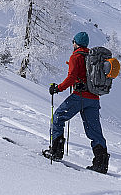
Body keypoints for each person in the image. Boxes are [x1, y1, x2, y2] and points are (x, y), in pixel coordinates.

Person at [42, 32, 110, 174]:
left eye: (73, 42)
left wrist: (58, 88)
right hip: (94, 99)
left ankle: (56, 151)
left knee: (58, 117)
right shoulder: (93, 58)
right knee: (94, 130)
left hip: (80, 97)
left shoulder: (76, 56)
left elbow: (71, 77)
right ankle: (101, 164)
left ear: (76, 43)